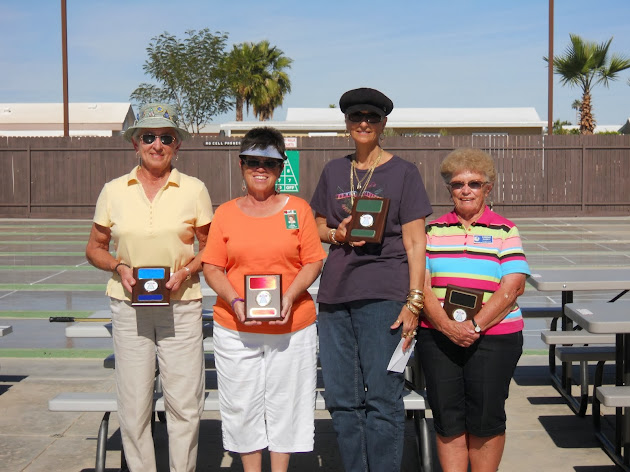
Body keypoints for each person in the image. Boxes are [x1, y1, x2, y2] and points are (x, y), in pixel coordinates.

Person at [310, 87, 432, 471]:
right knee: (342, 401)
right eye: (355, 117)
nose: (363, 123)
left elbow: (415, 241)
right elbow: (316, 226)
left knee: (382, 399)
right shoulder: (333, 170)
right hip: (335, 297)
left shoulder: (403, 172)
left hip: (384, 296)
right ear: (346, 123)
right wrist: (338, 234)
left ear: (383, 124)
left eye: (372, 118)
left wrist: (414, 302)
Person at [85, 103, 212, 472]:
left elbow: (211, 248)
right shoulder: (114, 190)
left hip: (182, 305)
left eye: (166, 137)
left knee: (184, 405)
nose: (157, 144)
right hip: (128, 307)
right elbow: (94, 247)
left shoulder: (194, 189)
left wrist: (188, 270)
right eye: (149, 137)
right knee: (134, 403)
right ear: (135, 144)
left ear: (178, 145)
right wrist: (118, 266)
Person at [201, 127, 326, 472]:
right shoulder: (225, 213)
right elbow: (212, 267)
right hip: (236, 327)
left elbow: (314, 260)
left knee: (287, 404)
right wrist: (235, 300)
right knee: (242, 405)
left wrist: (289, 295)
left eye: (269, 163)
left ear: (281, 165)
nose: (260, 168)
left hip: (292, 326)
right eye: (252, 161)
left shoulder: (298, 210)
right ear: (241, 164)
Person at [418, 148, 530, 472]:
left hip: (495, 338)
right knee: (447, 418)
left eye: (474, 183)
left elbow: (513, 286)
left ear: (488, 188)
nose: (466, 190)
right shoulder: (432, 230)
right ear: (449, 189)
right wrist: (445, 325)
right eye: (458, 184)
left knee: (486, 418)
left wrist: (474, 326)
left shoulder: (505, 230)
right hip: (438, 337)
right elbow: (420, 285)